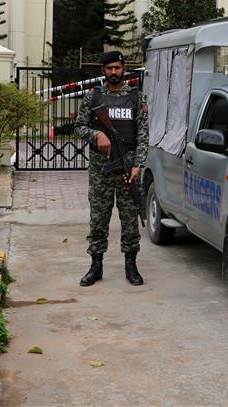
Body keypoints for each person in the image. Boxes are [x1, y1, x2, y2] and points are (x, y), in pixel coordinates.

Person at [75, 51, 149, 287]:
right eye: (110, 68)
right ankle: (96, 266)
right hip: (100, 169)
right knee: (98, 218)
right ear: (103, 71)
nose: (114, 72)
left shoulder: (136, 98)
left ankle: (131, 265)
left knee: (129, 219)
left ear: (124, 69)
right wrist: (96, 134)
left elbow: (143, 134)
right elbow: (78, 128)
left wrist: (138, 164)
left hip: (128, 167)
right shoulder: (93, 97)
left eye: (118, 68)